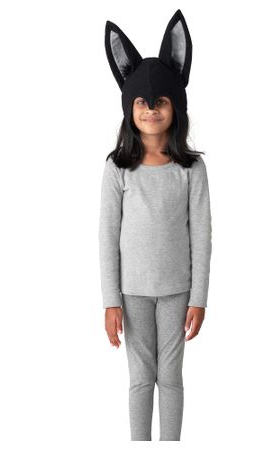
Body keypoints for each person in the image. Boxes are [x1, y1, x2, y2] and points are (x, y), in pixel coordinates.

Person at [99, 9, 212, 441]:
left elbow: (201, 235)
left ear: (175, 106)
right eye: (142, 103)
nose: (150, 110)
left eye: (160, 101)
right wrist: (111, 301)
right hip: (132, 291)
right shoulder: (117, 168)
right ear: (130, 108)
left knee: (171, 376)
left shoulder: (191, 169)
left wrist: (198, 297)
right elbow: (107, 236)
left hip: (177, 289)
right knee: (141, 377)